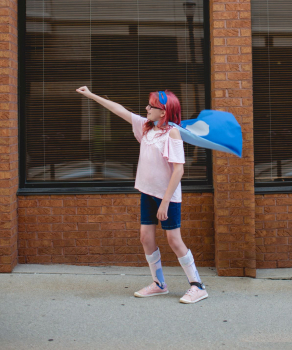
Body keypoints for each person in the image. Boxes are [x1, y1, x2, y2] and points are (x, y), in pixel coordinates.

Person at [76, 86, 208, 304]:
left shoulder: (172, 133)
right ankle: (159, 284)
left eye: (151, 106)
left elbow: (179, 170)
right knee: (146, 238)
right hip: (147, 192)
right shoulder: (146, 128)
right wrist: (90, 95)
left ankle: (197, 286)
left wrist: (165, 203)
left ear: (163, 112)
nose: (146, 108)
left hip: (167, 197)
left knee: (174, 240)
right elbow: (119, 110)